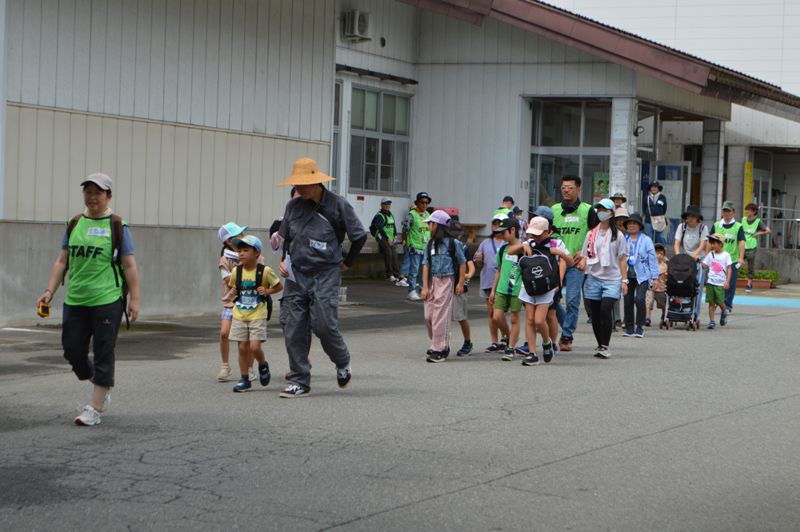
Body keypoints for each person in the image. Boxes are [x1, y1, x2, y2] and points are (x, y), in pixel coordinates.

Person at [37, 173, 140, 426]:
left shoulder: (117, 226)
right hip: (76, 299)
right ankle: (99, 380)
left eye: (98, 192)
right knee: (72, 351)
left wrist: (134, 299)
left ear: (109, 196)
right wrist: (49, 291)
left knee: (104, 350)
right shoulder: (74, 224)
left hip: (107, 298)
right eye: (88, 192)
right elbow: (62, 261)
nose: (92, 197)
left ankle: (94, 407)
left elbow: (129, 265)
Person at [277, 158, 367, 398]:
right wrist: (284, 260)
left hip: (326, 272)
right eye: (298, 185)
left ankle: (342, 360)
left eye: (305, 184)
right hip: (297, 274)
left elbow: (359, 236)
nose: (301, 189)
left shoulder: (338, 205)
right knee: (293, 327)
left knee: (324, 324)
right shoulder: (293, 207)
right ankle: (299, 380)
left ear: (317, 182)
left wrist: (347, 263)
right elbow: (286, 237)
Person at [227, 235, 283, 393]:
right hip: (239, 314)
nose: (241, 254)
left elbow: (279, 286)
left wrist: (267, 291)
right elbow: (232, 289)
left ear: (257, 253)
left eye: (246, 250)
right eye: (240, 251)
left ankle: (263, 364)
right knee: (242, 348)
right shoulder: (236, 272)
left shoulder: (265, 271)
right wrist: (231, 292)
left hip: (257, 313)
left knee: (254, 347)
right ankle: (244, 379)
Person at [513, 216, 572, 365]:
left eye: (539, 234)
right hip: (529, 286)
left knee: (540, 320)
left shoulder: (555, 242)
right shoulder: (530, 242)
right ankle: (532, 354)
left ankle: (547, 343)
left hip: (546, 287)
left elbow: (570, 262)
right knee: (529, 319)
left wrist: (559, 253)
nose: (536, 237)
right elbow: (510, 250)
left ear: (548, 231)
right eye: (533, 234)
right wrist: (521, 247)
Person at [575, 199, 628, 359]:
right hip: (593, 277)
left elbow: (622, 259)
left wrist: (624, 281)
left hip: (612, 278)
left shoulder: (618, 235)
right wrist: (582, 262)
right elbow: (584, 255)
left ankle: (605, 345)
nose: (601, 212)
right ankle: (600, 344)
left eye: (604, 209)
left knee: (606, 309)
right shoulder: (591, 234)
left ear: (611, 213)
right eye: (599, 209)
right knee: (596, 314)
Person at [552, 175, 599, 352]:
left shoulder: (588, 210)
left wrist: (585, 252)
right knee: (551, 300)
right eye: (563, 187)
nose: (566, 190)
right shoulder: (554, 210)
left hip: (576, 264)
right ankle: (566, 326)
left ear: (578, 189)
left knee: (572, 299)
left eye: (570, 187)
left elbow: (596, 235)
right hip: (555, 263)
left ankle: (566, 335)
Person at [217, 222, 264, 382]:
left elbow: (263, 274)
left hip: (251, 302)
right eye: (238, 234)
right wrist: (244, 268)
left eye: (242, 233)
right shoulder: (225, 259)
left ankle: (249, 369)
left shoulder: (256, 255)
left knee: (246, 340)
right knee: (224, 333)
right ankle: (225, 366)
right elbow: (228, 279)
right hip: (231, 301)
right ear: (229, 241)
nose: (242, 236)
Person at [422, 210, 466, 363]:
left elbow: (462, 263)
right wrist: (425, 287)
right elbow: (426, 265)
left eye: (431, 223)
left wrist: (460, 283)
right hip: (433, 281)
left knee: (440, 315)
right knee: (428, 316)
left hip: (447, 280)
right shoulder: (430, 244)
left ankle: (439, 348)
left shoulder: (454, 243)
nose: (429, 226)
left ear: (439, 225)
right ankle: (437, 342)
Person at [489, 218, 523, 361]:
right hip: (501, 289)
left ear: (513, 230)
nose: (501, 235)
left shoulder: (523, 248)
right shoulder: (502, 249)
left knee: (515, 318)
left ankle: (510, 348)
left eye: (503, 232)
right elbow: (499, 270)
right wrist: (493, 290)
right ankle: (509, 337)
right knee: (496, 316)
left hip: (516, 290)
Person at [474, 214, 510, 352]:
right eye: (495, 223)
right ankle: (495, 341)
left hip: (504, 283)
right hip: (487, 281)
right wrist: (479, 259)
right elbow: (478, 263)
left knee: (499, 313)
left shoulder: (508, 243)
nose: (497, 226)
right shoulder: (485, 243)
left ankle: (505, 338)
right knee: (491, 313)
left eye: (500, 223)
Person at [621, 213, 659, 338]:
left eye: (634, 224)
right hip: (627, 274)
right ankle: (629, 327)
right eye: (629, 224)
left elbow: (652, 259)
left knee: (640, 299)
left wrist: (655, 277)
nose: (631, 226)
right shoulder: (623, 239)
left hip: (642, 275)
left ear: (639, 226)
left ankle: (640, 326)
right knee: (627, 300)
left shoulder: (646, 240)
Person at [674, 204, 709, 326]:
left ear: (697, 218)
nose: (690, 219)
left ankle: (696, 314)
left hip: (698, 259)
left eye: (693, 216)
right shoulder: (681, 227)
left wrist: (696, 254)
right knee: (682, 285)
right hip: (685, 260)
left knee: (697, 288)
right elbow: (677, 242)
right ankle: (682, 310)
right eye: (688, 216)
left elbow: (703, 244)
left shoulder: (703, 228)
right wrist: (678, 254)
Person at [710, 201, 745, 312]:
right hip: (717, 259)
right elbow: (709, 241)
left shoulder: (738, 226)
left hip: (732, 260)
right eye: (724, 210)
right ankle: (717, 302)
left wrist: (741, 258)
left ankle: (727, 305)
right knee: (716, 282)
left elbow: (741, 242)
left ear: (733, 212)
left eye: (728, 211)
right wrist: (707, 255)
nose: (726, 213)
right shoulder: (716, 225)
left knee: (730, 284)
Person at [450, 220, 476, 356]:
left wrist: (467, 276)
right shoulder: (444, 245)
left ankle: (467, 342)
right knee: (444, 318)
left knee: (461, 316)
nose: (456, 236)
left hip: (459, 286)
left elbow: (471, 267)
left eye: (458, 233)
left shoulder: (463, 248)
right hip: (446, 284)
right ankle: (442, 343)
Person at [370, 198, 407, 286]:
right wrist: (387, 239)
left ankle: (397, 275)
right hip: (382, 237)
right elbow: (380, 229)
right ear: (381, 205)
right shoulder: (379, 216)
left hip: (390, 238)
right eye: (385, 204)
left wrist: (394, 235)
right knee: (388, 253)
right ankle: (389, 274)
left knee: (394, 254)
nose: (387, 206)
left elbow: (393, 226)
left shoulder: (390, 215)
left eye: (389, 204)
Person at [402, 192, 432, 301]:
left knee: (423, 270)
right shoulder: (411, 215)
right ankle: (411, 290)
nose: (424, 205)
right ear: (417, 203)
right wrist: (405, 241)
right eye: (422, 202)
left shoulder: (428, 215)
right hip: (415, 246)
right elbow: (405, 229)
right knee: (414, 269)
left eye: (426, 203)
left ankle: (422, 290)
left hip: (425, 247)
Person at [701, 234, 732, 329]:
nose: (713, 245)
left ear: (721, 244)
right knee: (711, 303)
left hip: (720, 283)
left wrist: (727, 281)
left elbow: (729, 268)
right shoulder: (711, 254)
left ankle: (724, 311)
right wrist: (700, 261)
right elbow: (704, 265)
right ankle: (712, 321)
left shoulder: (726, 255)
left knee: (720, 302)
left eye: (714, 243)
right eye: (711, 243)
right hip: (711, 282)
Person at [742, 203, 772, 292]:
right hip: (742, 245)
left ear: (754, 212)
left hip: (751, 246)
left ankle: (749, 284)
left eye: (749, 210)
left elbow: (768, 231)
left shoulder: (758, 221)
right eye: (746, 209)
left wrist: (758, 233)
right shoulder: (743, 220)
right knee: (735, 263)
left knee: (750, 265)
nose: (746, 211)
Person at [645, 244, 668, 327]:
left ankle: (663, 315)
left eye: (661, 254)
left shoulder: (665, 266)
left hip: (661, 289)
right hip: (651, 288)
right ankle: (647, 317)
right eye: (657, 253)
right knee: (649, 302)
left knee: (663, 304)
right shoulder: (649, 264)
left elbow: (666, 277)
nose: (659, 255)